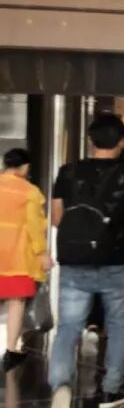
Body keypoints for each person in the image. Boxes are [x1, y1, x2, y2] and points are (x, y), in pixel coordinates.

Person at [46, 114, 124, 408]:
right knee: (117, 325)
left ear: (90, 139)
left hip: (75, 261)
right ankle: (111, 390)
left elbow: (57, 218)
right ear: (121, 141)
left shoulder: (68, 172)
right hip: (116, 261)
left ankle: (61, 387)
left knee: (68, 327)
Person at [0, 148, 50, 373]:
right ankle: (11, 351)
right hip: (16, 258)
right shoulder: (29, 192)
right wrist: (42, 253)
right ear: (25, 167)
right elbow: (34, 227)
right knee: (16, 302)